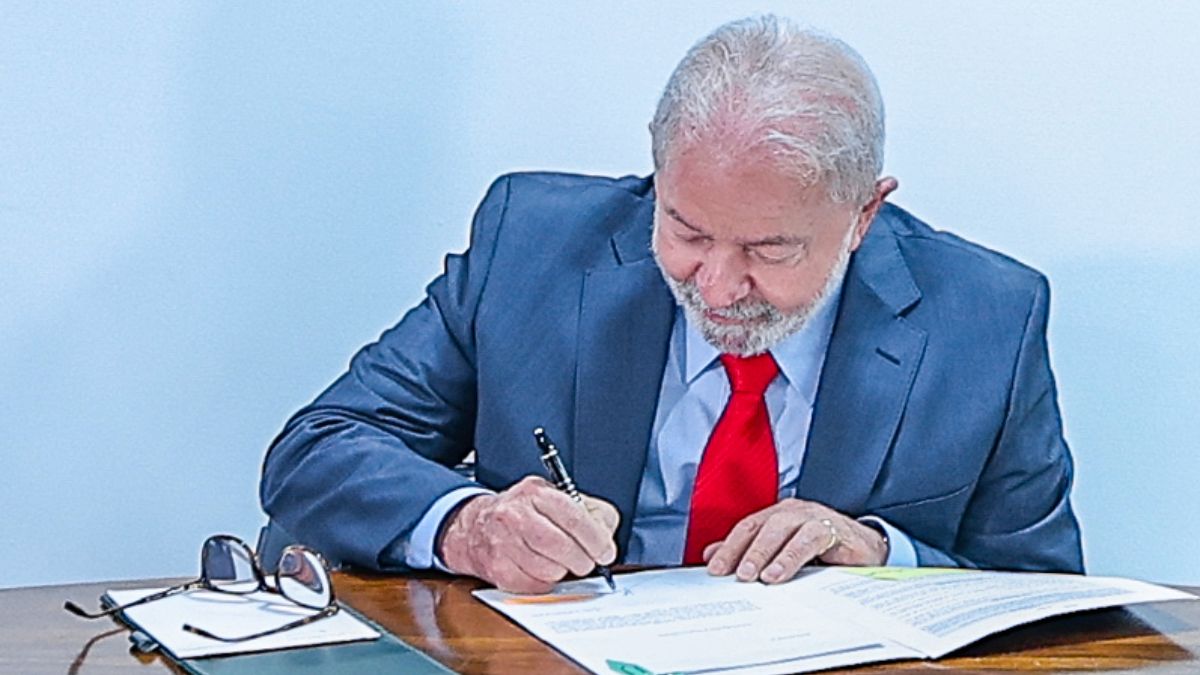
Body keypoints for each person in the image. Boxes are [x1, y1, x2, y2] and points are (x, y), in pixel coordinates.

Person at [259, 15, 1084, 594]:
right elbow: (318, 449)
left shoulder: (986, 320)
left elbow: (1044, 594)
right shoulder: (532, 247)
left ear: (864, 214)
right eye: (686, 230)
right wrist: (468, 525)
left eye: (769, 250)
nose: (716, 286)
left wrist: (880, 552)